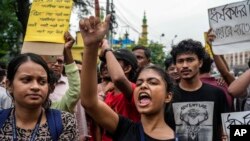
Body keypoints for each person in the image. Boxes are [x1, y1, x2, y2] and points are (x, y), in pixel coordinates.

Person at [80, 15, 176, 141]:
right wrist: (91, 47)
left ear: (168, 96)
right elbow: (89, 102)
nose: (143, 86)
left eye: (152, 82)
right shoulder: (125, 129)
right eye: (140, 82)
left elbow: (119, 78)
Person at [0, 53, 79, 140]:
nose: (35, 87)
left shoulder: (65, 122)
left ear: (49, 87)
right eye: (26, 80)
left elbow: (75, 91)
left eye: (42, 81)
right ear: (9, 85)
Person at [165, 39, 229, 141]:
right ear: (176, 65)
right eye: (180, 61)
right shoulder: (167, 96)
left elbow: (226, 129)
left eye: (190, 60)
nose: (185, 65)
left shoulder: (217, 94)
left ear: (200, 63)